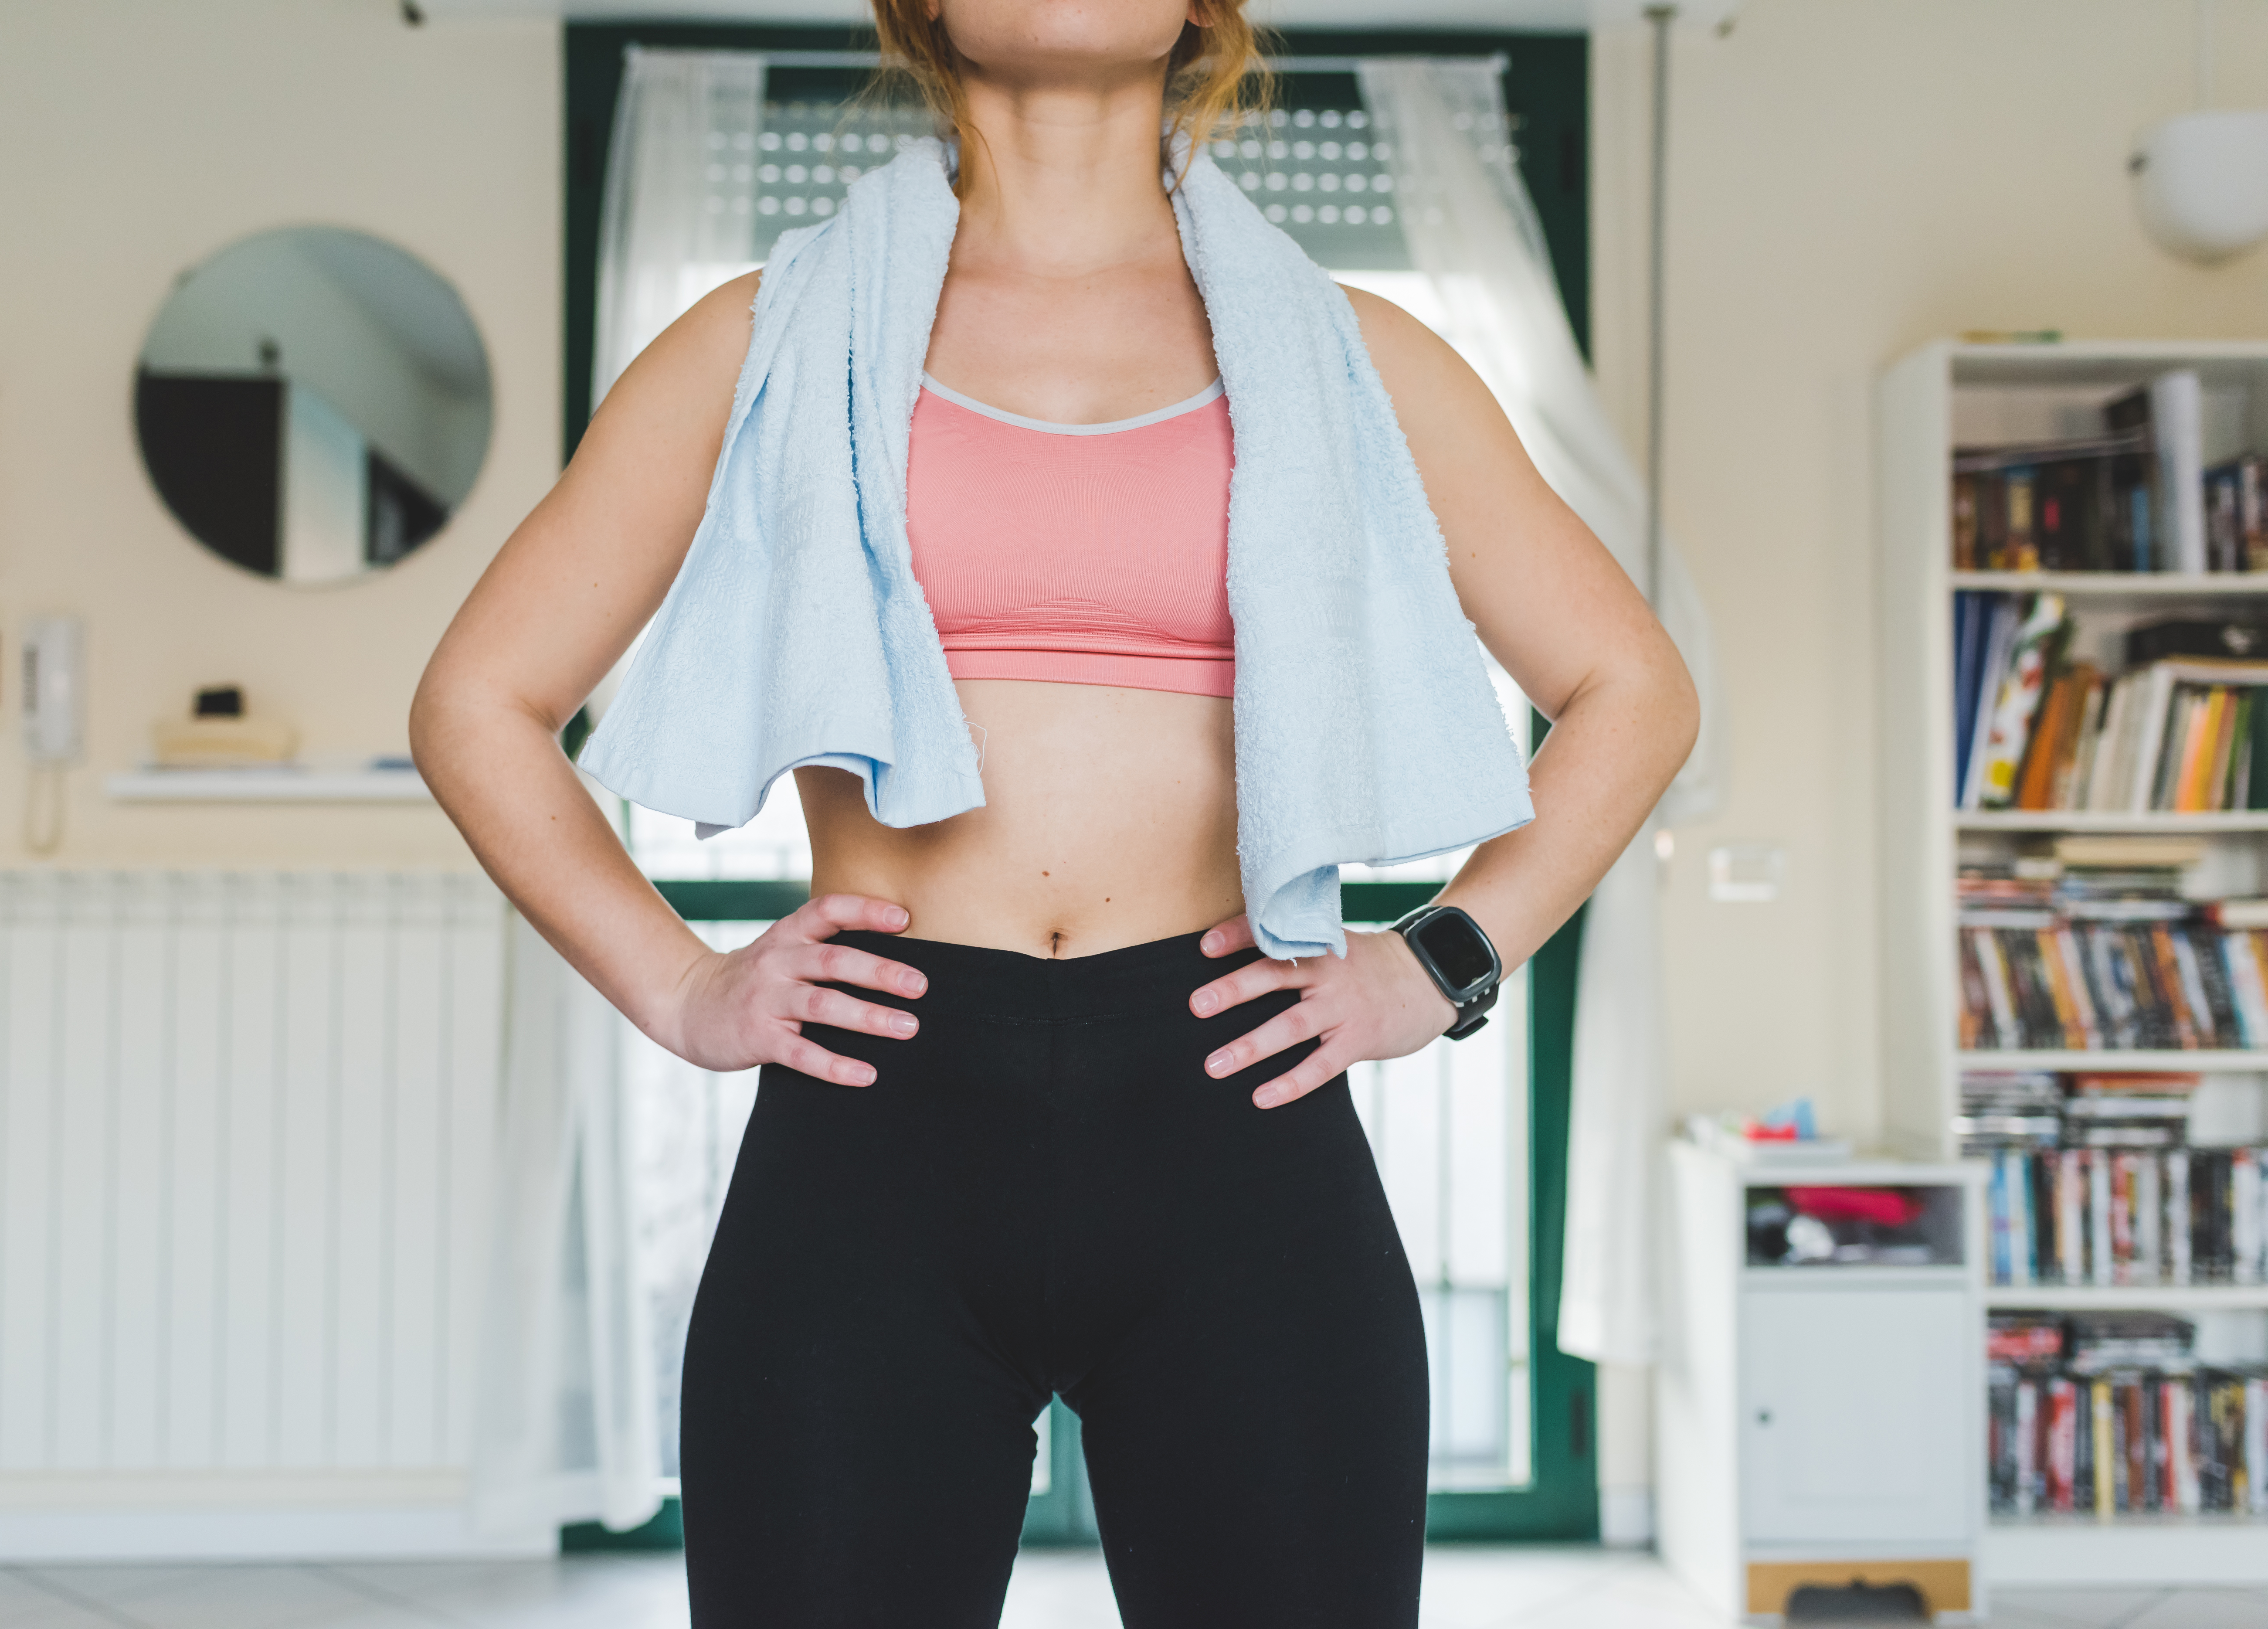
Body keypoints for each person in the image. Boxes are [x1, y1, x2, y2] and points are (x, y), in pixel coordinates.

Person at [411, 2, 1696, 1623]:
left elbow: (1634, 690)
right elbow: (477, 701)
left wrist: (1435, 959)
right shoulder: (772, 336)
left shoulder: (1351, 352)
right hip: (877, 1118)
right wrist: (680, 986)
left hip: (1233, 1103)